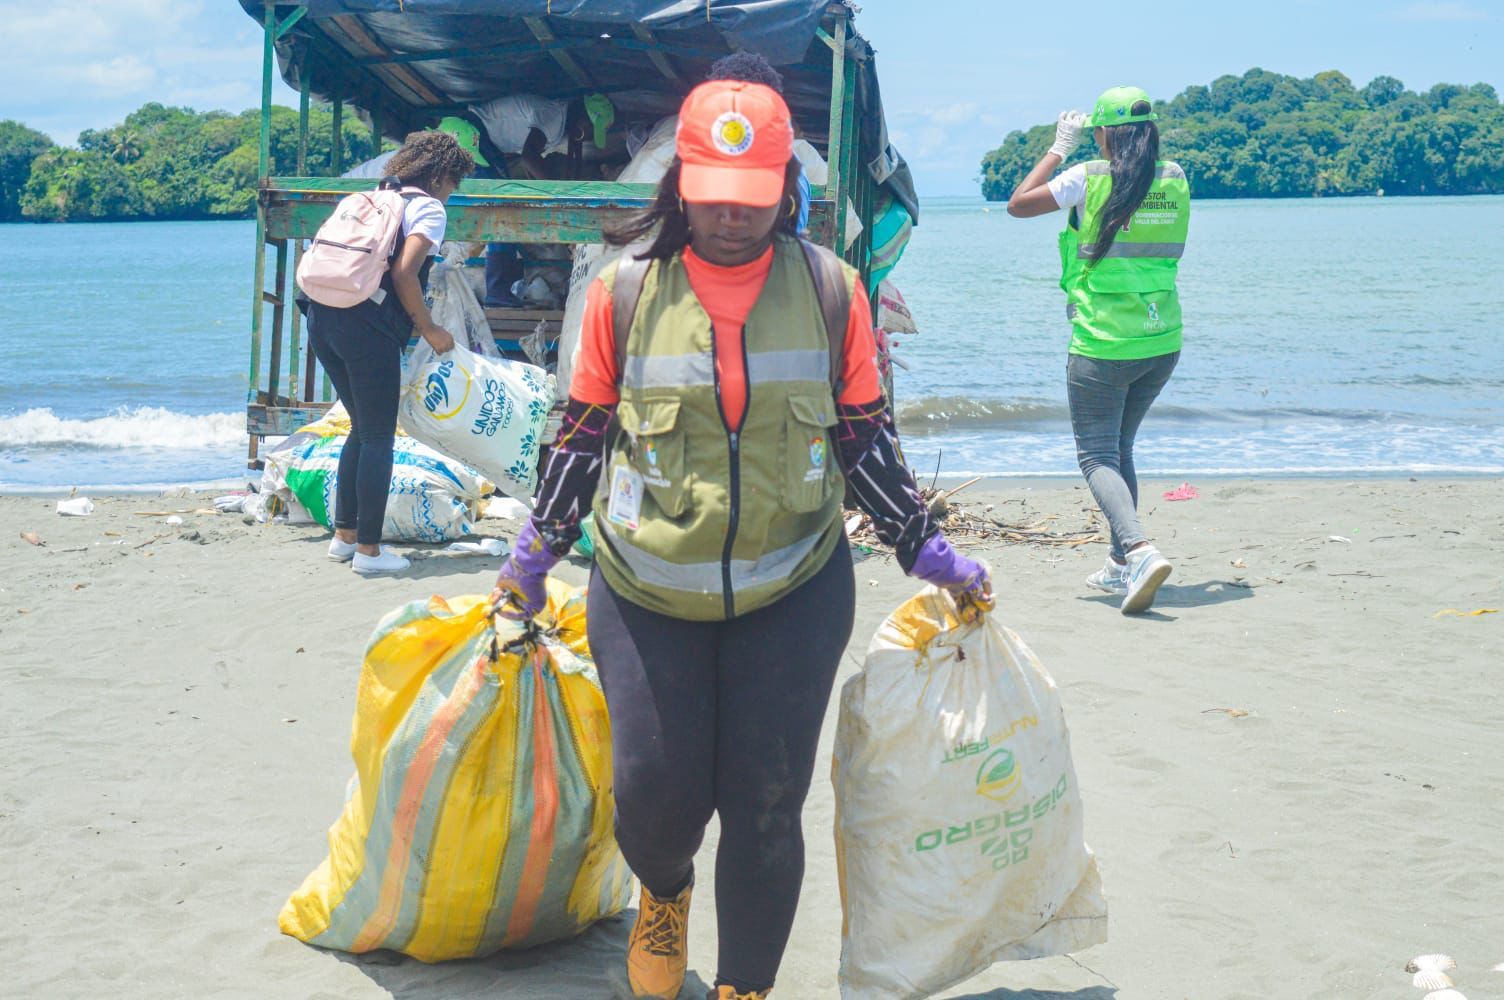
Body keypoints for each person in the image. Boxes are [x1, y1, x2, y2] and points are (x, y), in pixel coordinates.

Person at [490, 79, 991, 1000]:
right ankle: (665, 894)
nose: (731, 220)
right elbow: (581, 436)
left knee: (764, 805)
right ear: (681, 183)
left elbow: (863, 438)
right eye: (714, 199)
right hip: (645, 590)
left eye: (752, 202)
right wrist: (531, 562)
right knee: (655, 797)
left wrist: (928, 550)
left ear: (785, 187)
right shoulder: (623, 294)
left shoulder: (834, 293)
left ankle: (744, 988)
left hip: (794, 588)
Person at [1006, 86, 1190, 614]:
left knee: (1096, 454)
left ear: (1106, 133)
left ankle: (1137, 549)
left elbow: (1018, 205)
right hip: (1161, 339)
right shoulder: (1175, 178)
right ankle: (1117, 565)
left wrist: (1058, 147)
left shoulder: (1087, 177)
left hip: (1104, 342)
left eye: (1095, 132)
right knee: (1120, 449)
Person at [306, 131, 473, 575]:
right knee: (379, 434)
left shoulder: (365, 197)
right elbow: (404, 273)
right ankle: (370, 552)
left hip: (322, 319)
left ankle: (344, 537)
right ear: (439, 176)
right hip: (367, 326)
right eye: (453, 184)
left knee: (361, 428)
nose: (450, 194)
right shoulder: (427, 207)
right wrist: (430, 328)